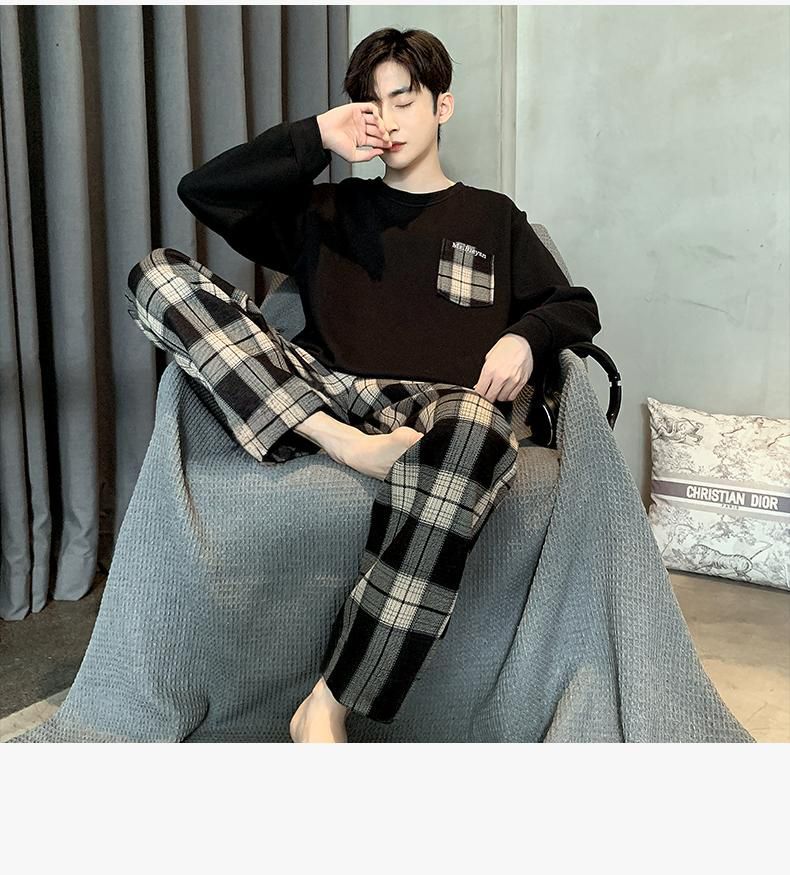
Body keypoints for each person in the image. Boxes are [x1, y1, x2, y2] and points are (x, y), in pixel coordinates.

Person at [126, 27, 602, 742]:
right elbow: (204, 192)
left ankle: (328, 703)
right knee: (158, 275)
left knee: (477, 428)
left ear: (442, 106)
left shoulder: (492, 216)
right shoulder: (329, 211)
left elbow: (575, 306)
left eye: (404, 100)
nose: (388, 120)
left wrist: (524, 336)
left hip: (438, 404)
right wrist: (318, 136)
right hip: (320, 390)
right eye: (373, 105)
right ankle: (340, 443)